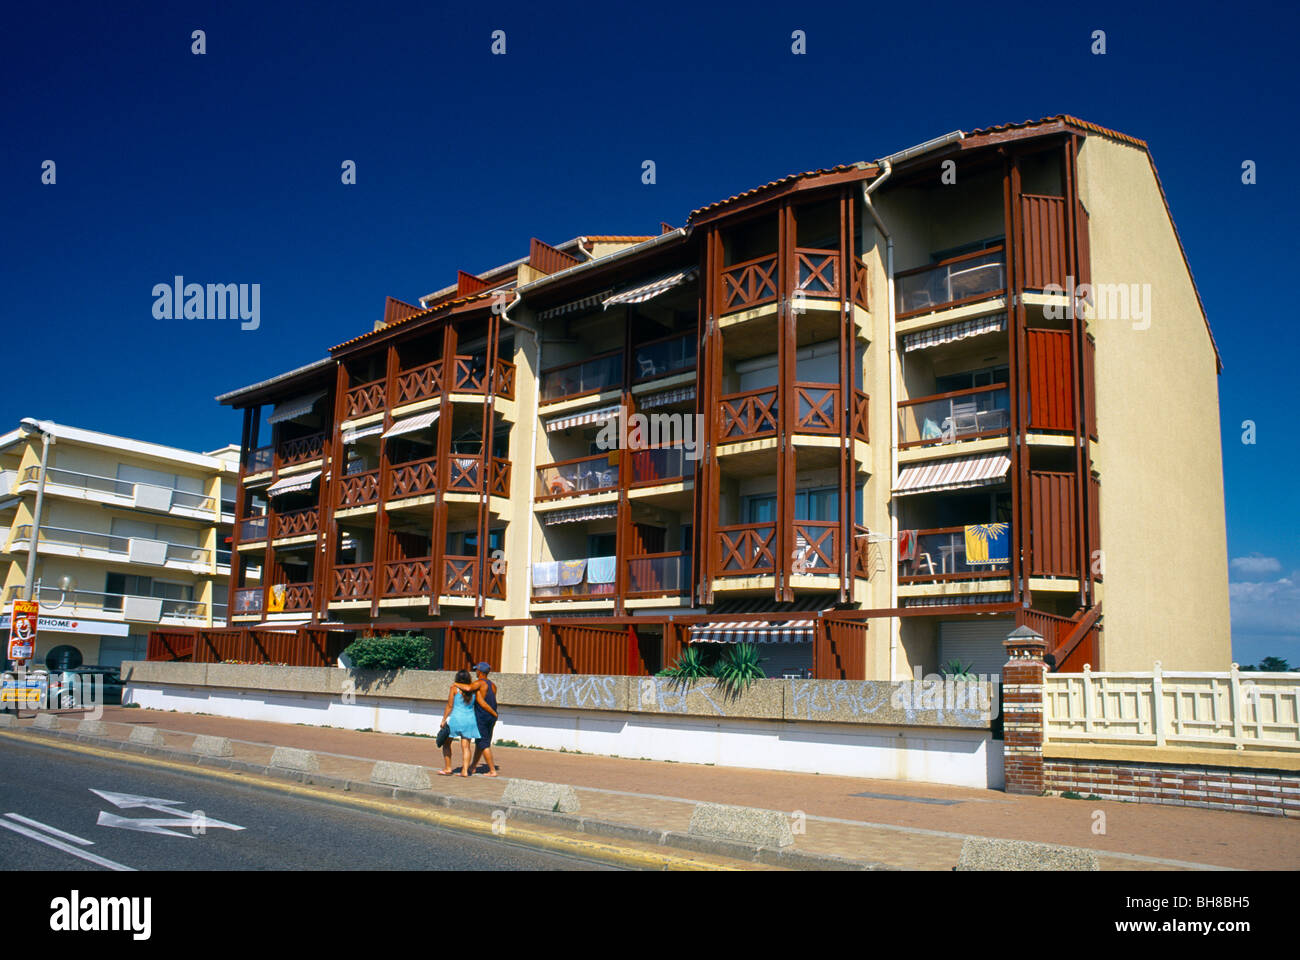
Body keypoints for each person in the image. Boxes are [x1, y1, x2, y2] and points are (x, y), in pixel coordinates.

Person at [439, 669, 479, 776]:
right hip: (470, 720)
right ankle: (465, 771)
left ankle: (448, 768)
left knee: (446, 743)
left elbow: (450, 705)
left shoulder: (454, 688)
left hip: (456, 720)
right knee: (466, 746)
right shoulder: (473, 690)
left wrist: (443, 720)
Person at [468, 662, 499, 776]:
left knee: (484, 743)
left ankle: (492, 770)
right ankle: (472, 767)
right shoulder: (493, 685)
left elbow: (469, 688)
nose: (475, 672)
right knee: (480, 742)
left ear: (480, 672)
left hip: (482, 716)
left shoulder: (479, 683)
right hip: (491, 717)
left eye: (476, 670)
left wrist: (456, 684)